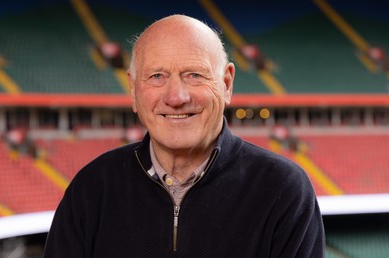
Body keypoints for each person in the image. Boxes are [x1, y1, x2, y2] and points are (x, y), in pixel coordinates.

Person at [44, 14, 325, 257]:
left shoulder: (283, 189)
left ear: (226, 84)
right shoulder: (92, 189)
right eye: (156, 76)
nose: (176, 97)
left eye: (194, 75)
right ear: (132, 89)